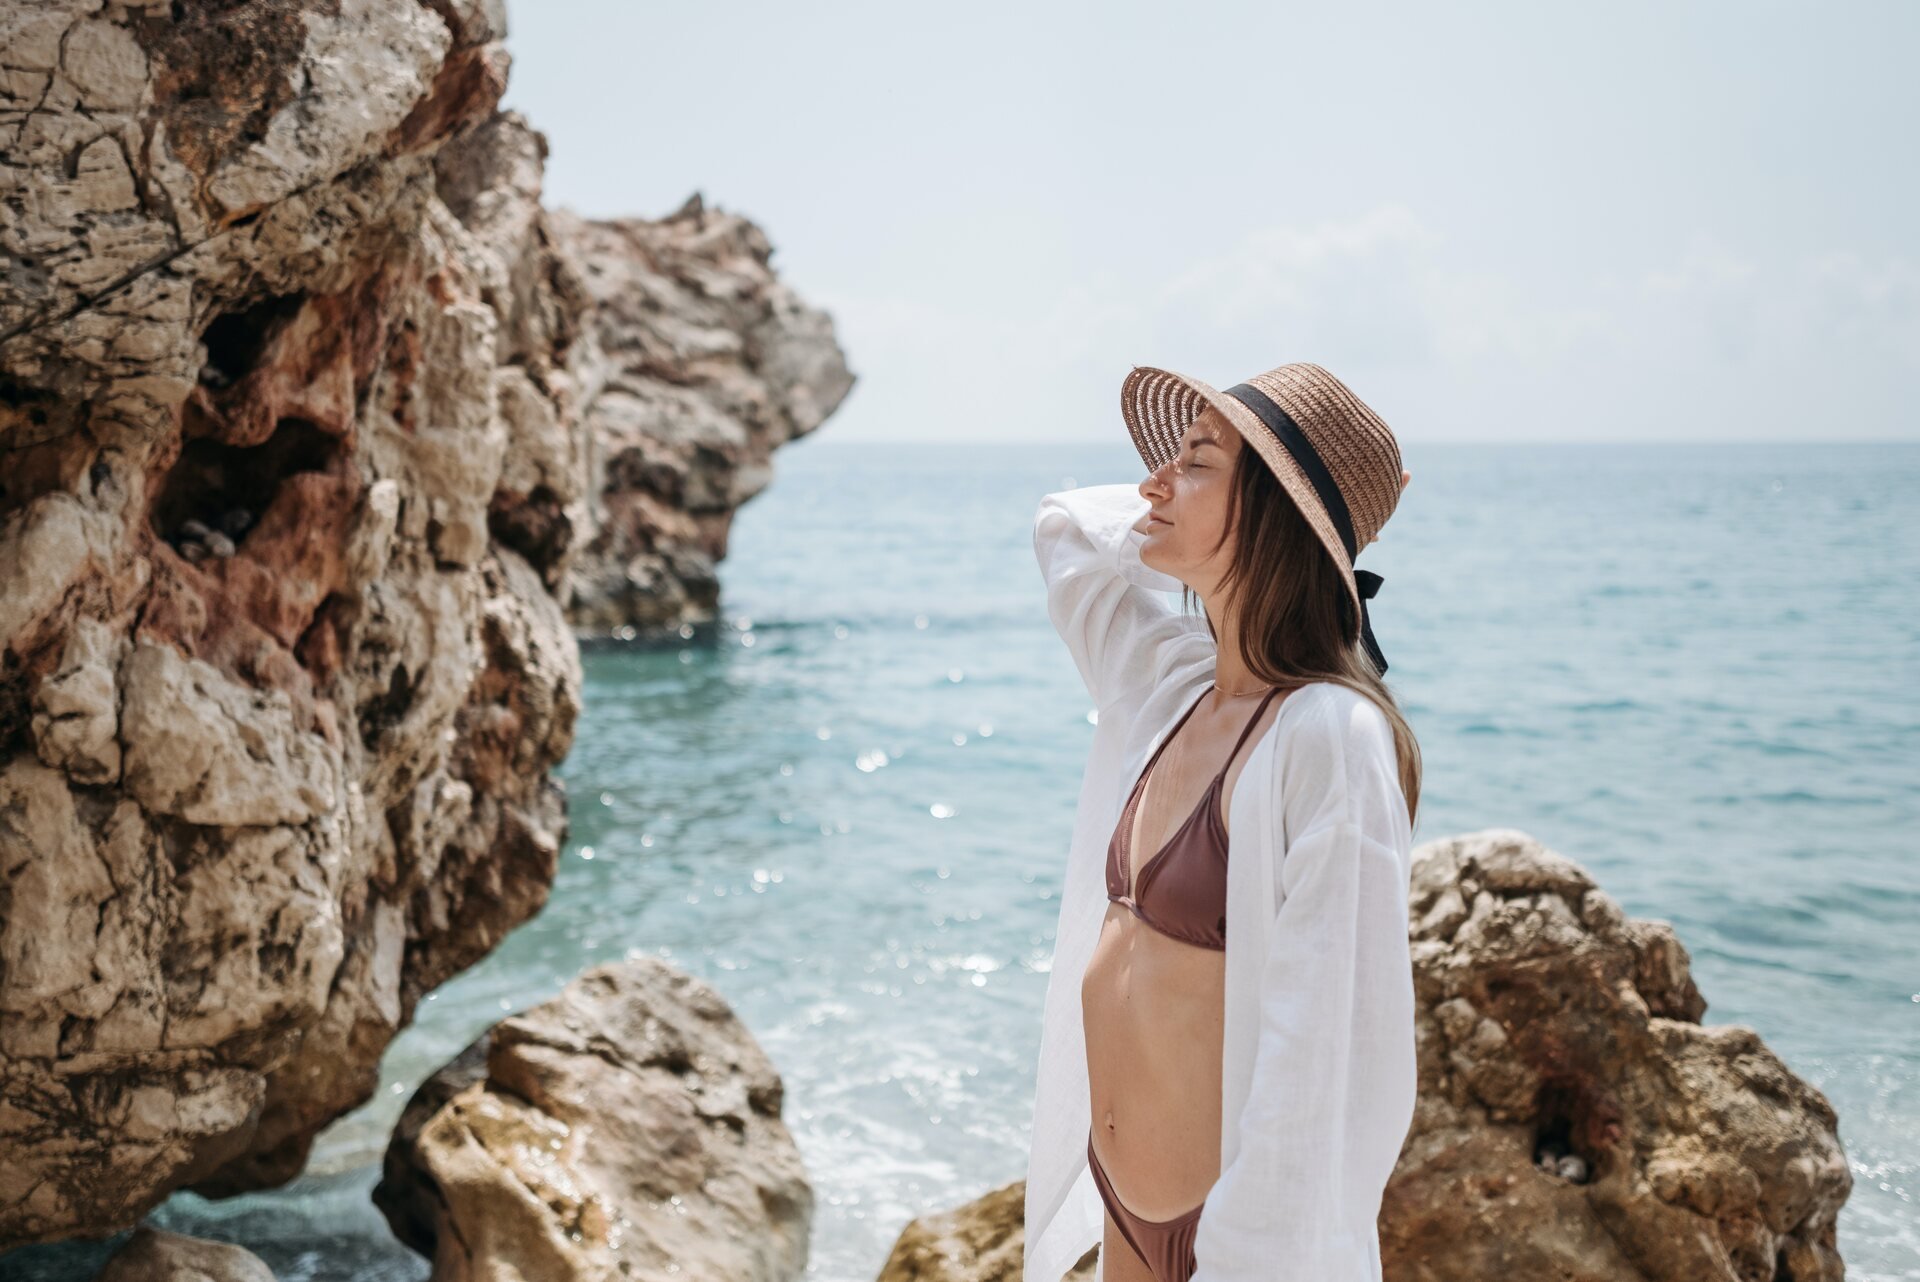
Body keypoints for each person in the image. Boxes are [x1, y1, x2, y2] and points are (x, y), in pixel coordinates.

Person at [1024, 362, 1422, 1282]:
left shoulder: (1330, 738)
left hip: (1237, 1244)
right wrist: (1194, 510)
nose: (1151, 483)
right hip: (1124, 1211)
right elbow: (1065, 531)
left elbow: (1324, 1057)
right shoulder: (1174, 688)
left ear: (1277, 515)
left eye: (1194, 460)